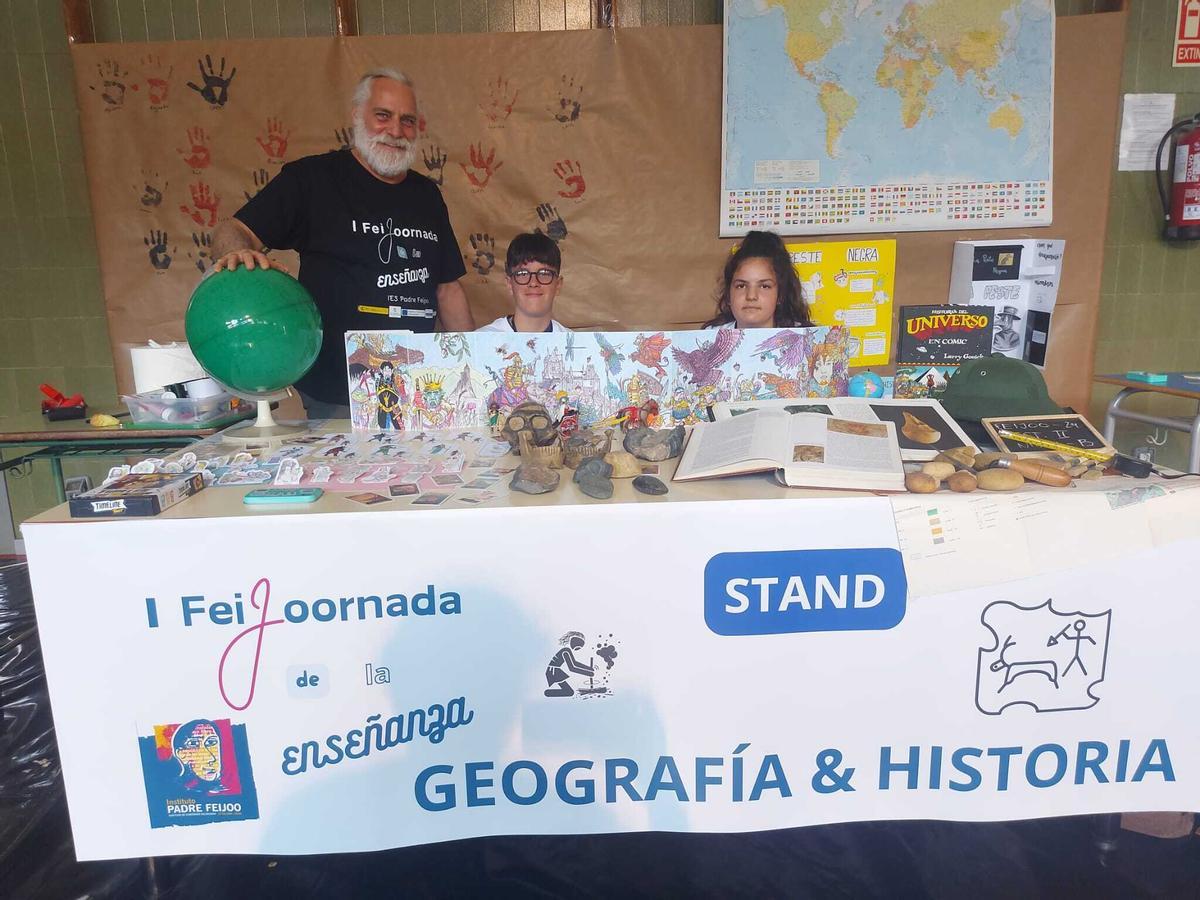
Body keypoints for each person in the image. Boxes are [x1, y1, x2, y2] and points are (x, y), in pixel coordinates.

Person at [210, 68, 475, 417]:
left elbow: (447, 290)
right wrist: (238, 253)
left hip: (416, 387)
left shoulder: (427, 195)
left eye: (407, 121)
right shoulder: (311, 180)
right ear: (356, 115)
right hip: (339, 392)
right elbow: (232, 230)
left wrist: (478, 365)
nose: (396, 131)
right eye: (383, 115)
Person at [705, 230, 814, 330]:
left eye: (764, 286)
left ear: (780, 295)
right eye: (741, 286)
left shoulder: (804, 337)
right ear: (728, 295)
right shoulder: (710, 336)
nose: (751, 296)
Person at [478, 232, 572, 333]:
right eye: (523, 274)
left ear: (558, 285)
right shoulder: (480, 342)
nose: (533, 283)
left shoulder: (576, 344)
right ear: (509, 284)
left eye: (544, 273)